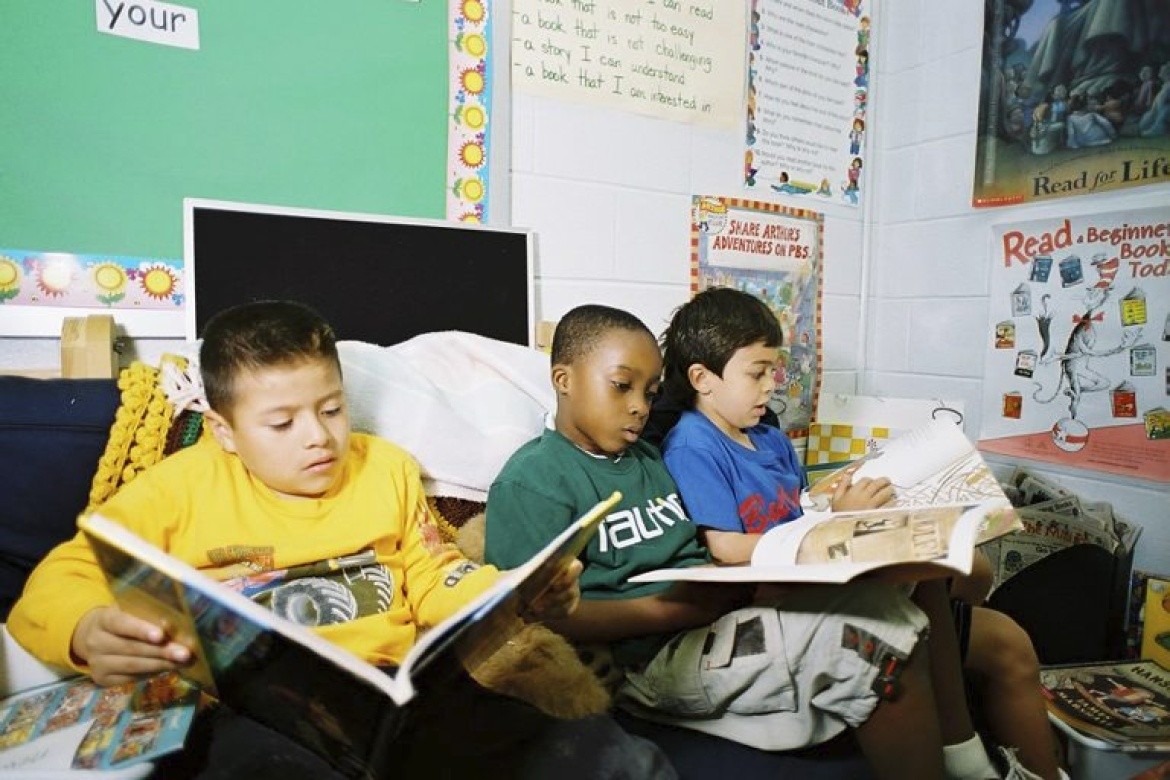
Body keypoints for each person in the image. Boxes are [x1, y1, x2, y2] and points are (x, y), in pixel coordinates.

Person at [7, 300, 674, 780]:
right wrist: (87, 627)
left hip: (392, 696)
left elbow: (434, 570)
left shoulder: (383, 468)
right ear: (225, 430)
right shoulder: (176, 489)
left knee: (608, 756)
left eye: (331, 408)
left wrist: (504, 594)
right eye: (282, 422)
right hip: (248, 711)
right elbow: (60, 578)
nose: (319, 437)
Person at [485, 303, 951, 780]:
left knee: (900, 597)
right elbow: (526, 622)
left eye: (650, 392)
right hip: (653, 655)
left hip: (719, 609)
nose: (640, 406)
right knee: (878, 643)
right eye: (622, 386)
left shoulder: (648, 457)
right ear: (564, 379)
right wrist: (672, 611)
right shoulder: (534, 481)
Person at [657, 287, 1063, 780]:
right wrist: (832, 524)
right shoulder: (693, 444)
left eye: (774, 371)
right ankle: (968, 763)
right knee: (946, 584)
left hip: (821, 573)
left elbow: (798, 508)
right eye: (757, 373)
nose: (770, 387)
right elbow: (723, 546)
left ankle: (973, 757)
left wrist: (836, 502)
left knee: (959, 571)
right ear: (702, 378)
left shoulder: (769, 437)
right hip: (775, 591)